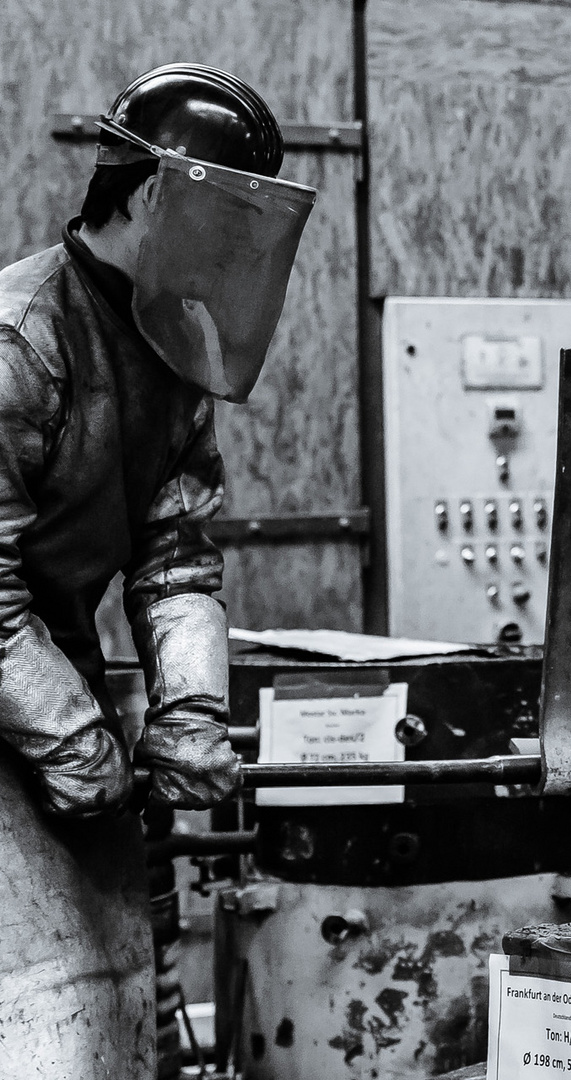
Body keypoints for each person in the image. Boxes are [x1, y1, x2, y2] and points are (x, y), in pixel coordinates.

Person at [0, 65, 315, 1077]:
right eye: (222, 222)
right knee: (37, 1013)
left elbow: (175, 555)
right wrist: (68, 733)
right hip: (28, 689)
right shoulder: (21, 340)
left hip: (49, 688)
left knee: (119, 1007)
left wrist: (189, 711)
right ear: (146, 197)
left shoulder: (169, 351)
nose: (232, 255)